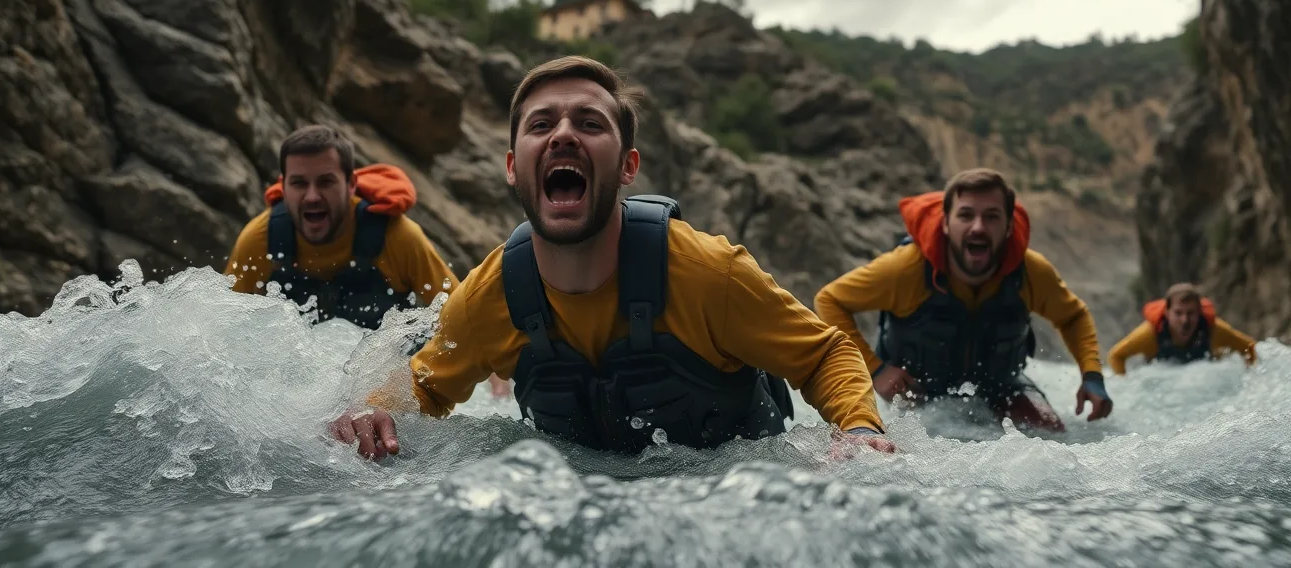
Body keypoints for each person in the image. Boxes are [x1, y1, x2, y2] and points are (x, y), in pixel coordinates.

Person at [330, 55, 893, 459]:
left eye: (590, 123)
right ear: (511, 165)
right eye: (542, 124)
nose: (564, 136)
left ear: (627, 167)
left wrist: (860, 430)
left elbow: (825, 354)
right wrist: (373, 411)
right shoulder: (492, 296)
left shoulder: (707, 273)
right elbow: (425, 388)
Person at [813, 168, 1113, 432]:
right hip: (920, 394)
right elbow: (829, 300)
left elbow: (1073, 316)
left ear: (1009, 226)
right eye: (966, 214)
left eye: (992, 216)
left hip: (1001, 388)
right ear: (946, 223)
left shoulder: (1031, 272)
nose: (978, 227)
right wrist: (875, 370)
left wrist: (1092, 375)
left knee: (1050, 436)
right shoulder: (906, 269)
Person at [223, 124, 459, 338]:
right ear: (282, 187)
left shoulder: (397, 236)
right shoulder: (259, 241)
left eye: (326, 182)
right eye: (299, 183)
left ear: (351, 184)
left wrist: (495, 380)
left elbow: (464, 318)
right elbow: (222, 331)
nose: (312, 196)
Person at [1107, 282, 1258, 374]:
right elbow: (1115, 356)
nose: (1185, 320)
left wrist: (1249, 378)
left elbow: (1250, 346)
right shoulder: (1149, 334)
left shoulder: (1214, 330)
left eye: (1191, 313)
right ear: (1167, 312)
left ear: (1200, 312)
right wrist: (1126, 386)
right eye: (1178, 313)